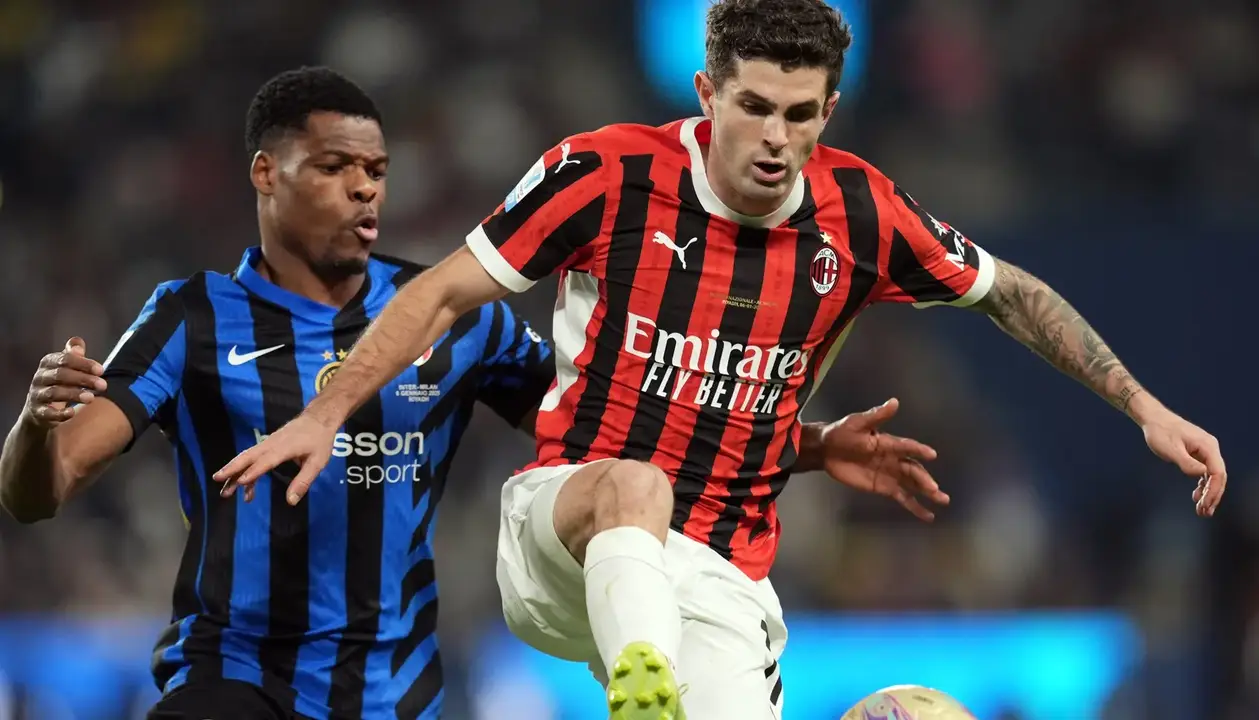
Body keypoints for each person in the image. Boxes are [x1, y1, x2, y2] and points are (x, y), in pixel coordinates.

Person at [214, 0, 1228, 717]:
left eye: (798, 113)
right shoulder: (604, 173)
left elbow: (1009, 291)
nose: (774, 137)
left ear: (827, 113)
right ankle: (642, 687)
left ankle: (661, 683)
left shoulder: (861, 215)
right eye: (753, 106)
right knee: (636, 486)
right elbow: (436, 292)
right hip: (566, 525)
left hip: (720, 570)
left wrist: (1143, 408)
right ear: (707, 93)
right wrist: (323, 414)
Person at [0, 66, 559, 720]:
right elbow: (38, 493)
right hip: (233, 681)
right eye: (333, 167)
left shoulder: (453, 316)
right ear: (266, 173)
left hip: (394, 697)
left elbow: (591, 427)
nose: (364, 189)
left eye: (376, 171)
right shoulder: (192, 319)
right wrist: (35, 425)